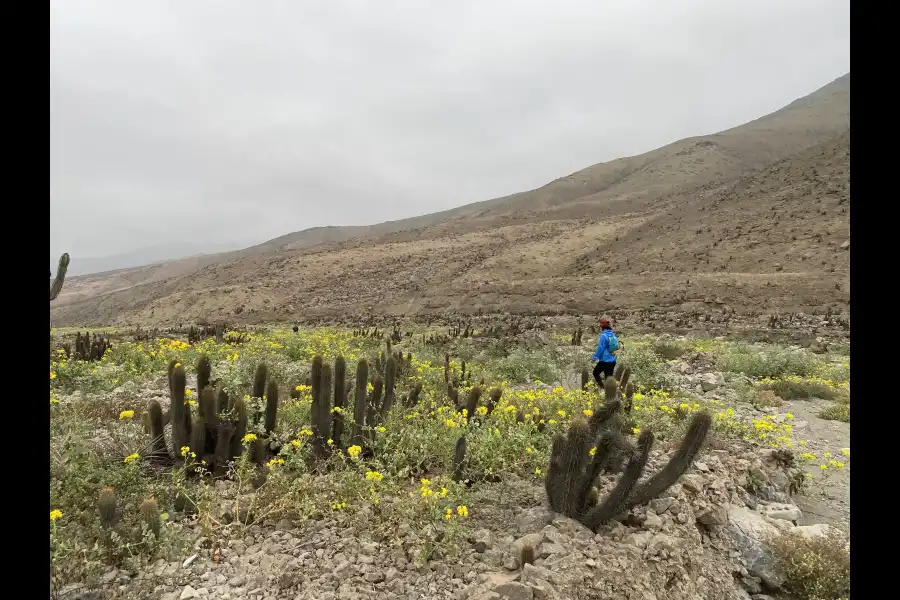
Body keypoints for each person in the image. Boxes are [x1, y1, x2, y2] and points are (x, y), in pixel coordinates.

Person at [591, 316, 621, 386]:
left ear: (602, 327)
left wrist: (594, 358)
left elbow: (600, 348)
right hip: (613, 360)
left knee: (595, 373)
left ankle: (602, 387)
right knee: (609, 378)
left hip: (604, 361)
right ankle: (610, 392)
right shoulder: (613, 335)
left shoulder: (603, 335)